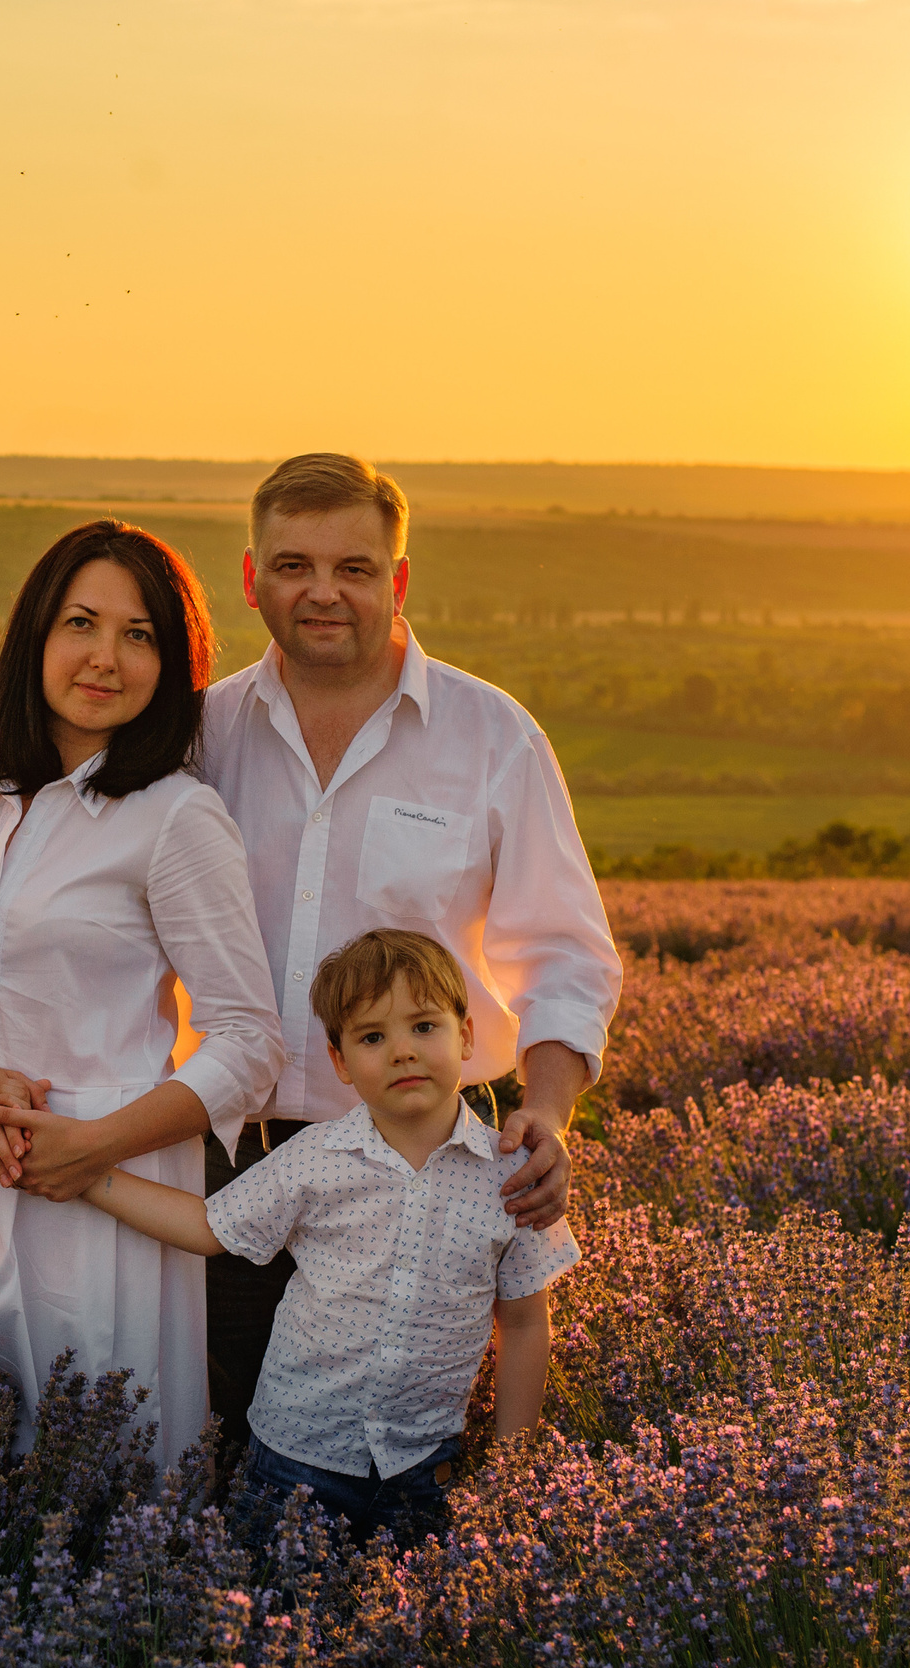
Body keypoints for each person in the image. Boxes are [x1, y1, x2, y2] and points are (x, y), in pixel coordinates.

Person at [0, 520, 286, 1466]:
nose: (105, 658)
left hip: (101, 1197)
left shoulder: (176, 817)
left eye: (140, 634)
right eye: (81, 622)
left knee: (85, 1479)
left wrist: (93, 1148)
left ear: (173, 661)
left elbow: (247, 1041)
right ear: (36, 633)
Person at [194, 452, 620, 1469]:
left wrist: (548, 1114)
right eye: (292, 565)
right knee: (222, 1429)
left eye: (354, 566)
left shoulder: (490, 735)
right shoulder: (202, 734)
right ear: (251, 581)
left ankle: (415, 1614)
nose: (323, 591)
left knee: (402, 1444)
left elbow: (561, 952)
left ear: (399, 578)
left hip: (422, 1153)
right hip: (231, 1146)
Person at [27, 928, 577, 1548]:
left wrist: (511, 1471)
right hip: (294, 1459)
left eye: (424, 1027)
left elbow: (526, 1323)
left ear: (467, 1037)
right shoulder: (317, 1157)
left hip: (423, 1468)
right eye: (373, 1037)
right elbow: (208, 1228)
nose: (403, 1052)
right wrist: (90, 1176)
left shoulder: (514, 1177)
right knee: (264, 1618)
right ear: (340, 1063)